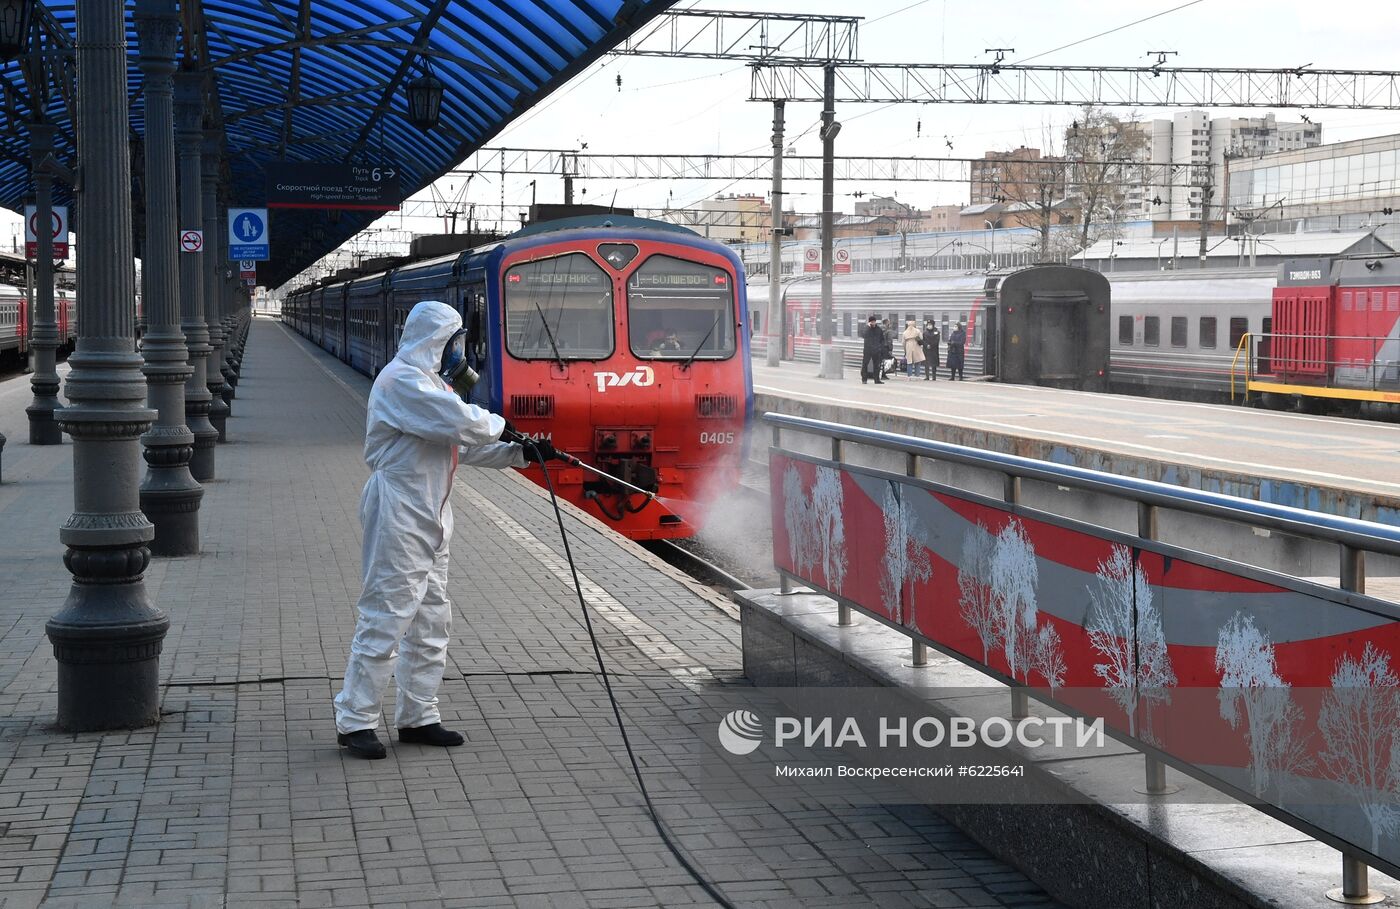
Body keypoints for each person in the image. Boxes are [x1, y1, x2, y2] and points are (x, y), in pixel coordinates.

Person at [334, 300, 564, 760]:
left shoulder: (432, 385)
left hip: (431, 517)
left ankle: (418, 716)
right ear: (435, 340)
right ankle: (355, 721)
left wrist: (521, 454)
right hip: (398, 512)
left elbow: (461, 446)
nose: (459, 352)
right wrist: (505, 428)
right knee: (387, 616)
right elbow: (462, 423)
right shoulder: (401, 382)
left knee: (432, 620)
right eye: (454, 342)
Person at [860, 315, 885, 384]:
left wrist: (880, 347)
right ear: (869, 322)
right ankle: (864, 379)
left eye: (874, 321)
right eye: (872, 322)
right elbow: (863, 335)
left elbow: (882, 339)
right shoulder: (866, 329)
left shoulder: (878, 329)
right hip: (867, 350)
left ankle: (877, 380)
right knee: (865, 364)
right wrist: (868, 327)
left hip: (876, 350)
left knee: (877, 365)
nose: (873, 323)